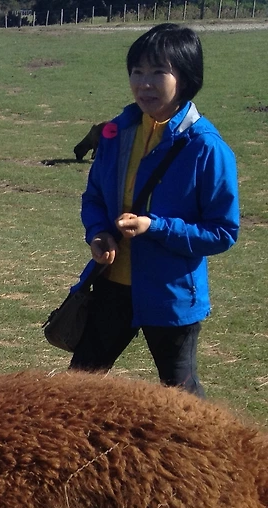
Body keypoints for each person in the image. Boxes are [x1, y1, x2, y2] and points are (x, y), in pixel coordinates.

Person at [69, 23, 238, 398]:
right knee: (79, 383)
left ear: (186, 77)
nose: (144, 83)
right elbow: (94, 195)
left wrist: (155, 227)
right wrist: (98, 232)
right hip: (112, 285)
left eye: (158, 72)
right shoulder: (117, 132)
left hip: (171, 295)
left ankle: (203, 456)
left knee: (182, 396)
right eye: (137, 71)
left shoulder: (206, 148)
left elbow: (223, 231)